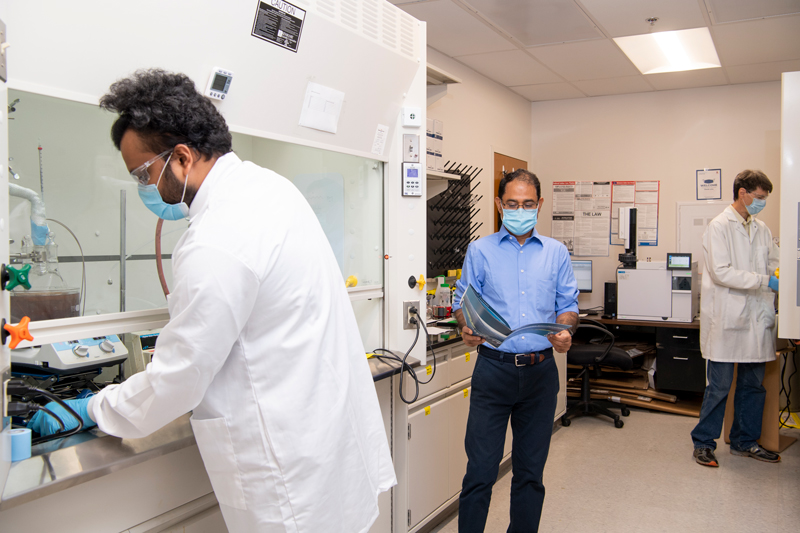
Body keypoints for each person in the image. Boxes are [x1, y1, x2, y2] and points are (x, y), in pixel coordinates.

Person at [28, 69, 396, 532]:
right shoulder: (270, 188)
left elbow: (180, 377)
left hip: (288, 472)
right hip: (320, 447)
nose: (144, 186)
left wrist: (94, 407)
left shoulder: (217, 238)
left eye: (143, 172)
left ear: (181, 157)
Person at [452, 169, 578, 533]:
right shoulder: (480, 250)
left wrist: (566, 330)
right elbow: (463, 300)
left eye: (527, 204)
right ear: (499, 205)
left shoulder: (556, 253)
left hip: (540, 374)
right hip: (494, 372)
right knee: (480, 472)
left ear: (539, 205)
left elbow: (567, 304)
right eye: (511, 204)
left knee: (530, 474)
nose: (519, 210)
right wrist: (466, 325)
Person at [691, 169, 781, 467]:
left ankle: (745, 441)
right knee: (719, 387)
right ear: (742, 193)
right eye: (759, 197)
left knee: (753, 386)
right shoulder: (719, 226)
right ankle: (704, 442)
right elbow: (721, 271)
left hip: (757, 320)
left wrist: (779, 275)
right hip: (728, 321)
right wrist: (764, 280)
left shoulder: (762, 229)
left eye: (765, 198)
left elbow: (774, 262)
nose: (762, 203)